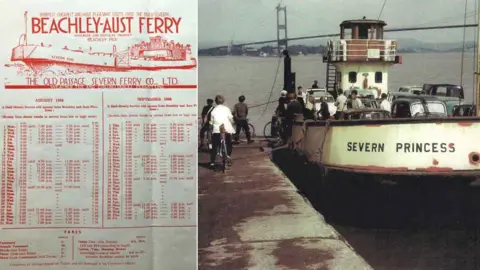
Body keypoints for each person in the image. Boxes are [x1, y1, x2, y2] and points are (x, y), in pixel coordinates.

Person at [209, 95, 235, 169]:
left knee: (214, 145)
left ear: (215, 101)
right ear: (223, 101)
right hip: (226, 129)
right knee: (229, 143)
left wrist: (210, 126)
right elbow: (231, 120)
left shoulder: (213, 110)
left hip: (217, 130)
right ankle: (228, 155)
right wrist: (233, 123)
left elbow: (211, 122)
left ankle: (212, 162)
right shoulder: (227, 109)